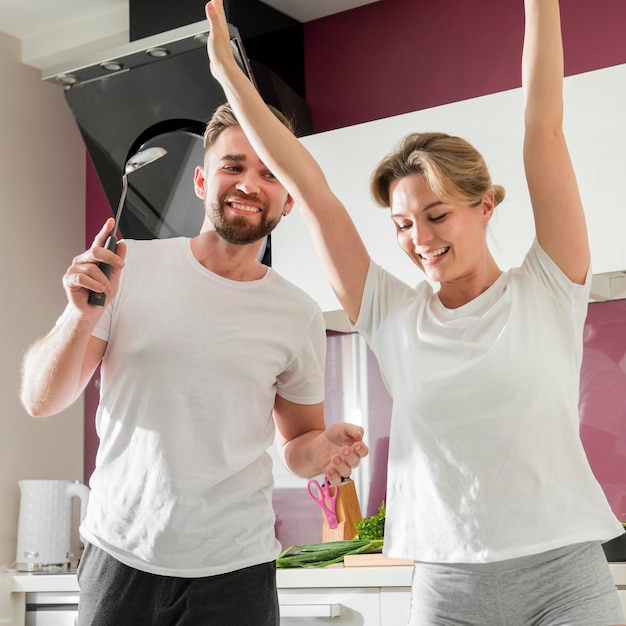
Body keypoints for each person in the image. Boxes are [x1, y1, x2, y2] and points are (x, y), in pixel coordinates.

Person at [204, 0, 626, 623]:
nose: (419, 238)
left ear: (484, 205)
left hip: (562, 578)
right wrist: (229, 80)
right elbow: (311, 189)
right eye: (403, 223)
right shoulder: (391, 314)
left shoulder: (548, 285)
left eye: (436, 215)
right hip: (446, 586)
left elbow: (544, 123)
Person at [19, 101, 368, 625]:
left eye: (270, 173)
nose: (250, 184)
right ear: (203, 181)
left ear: (289, 197)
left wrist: (325, 449)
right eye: (234, 166)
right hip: (120, 558)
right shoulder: (128, 268)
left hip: (237, 571)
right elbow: (40, 401)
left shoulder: (297, 313)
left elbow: (298, 446)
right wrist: (76, 316)